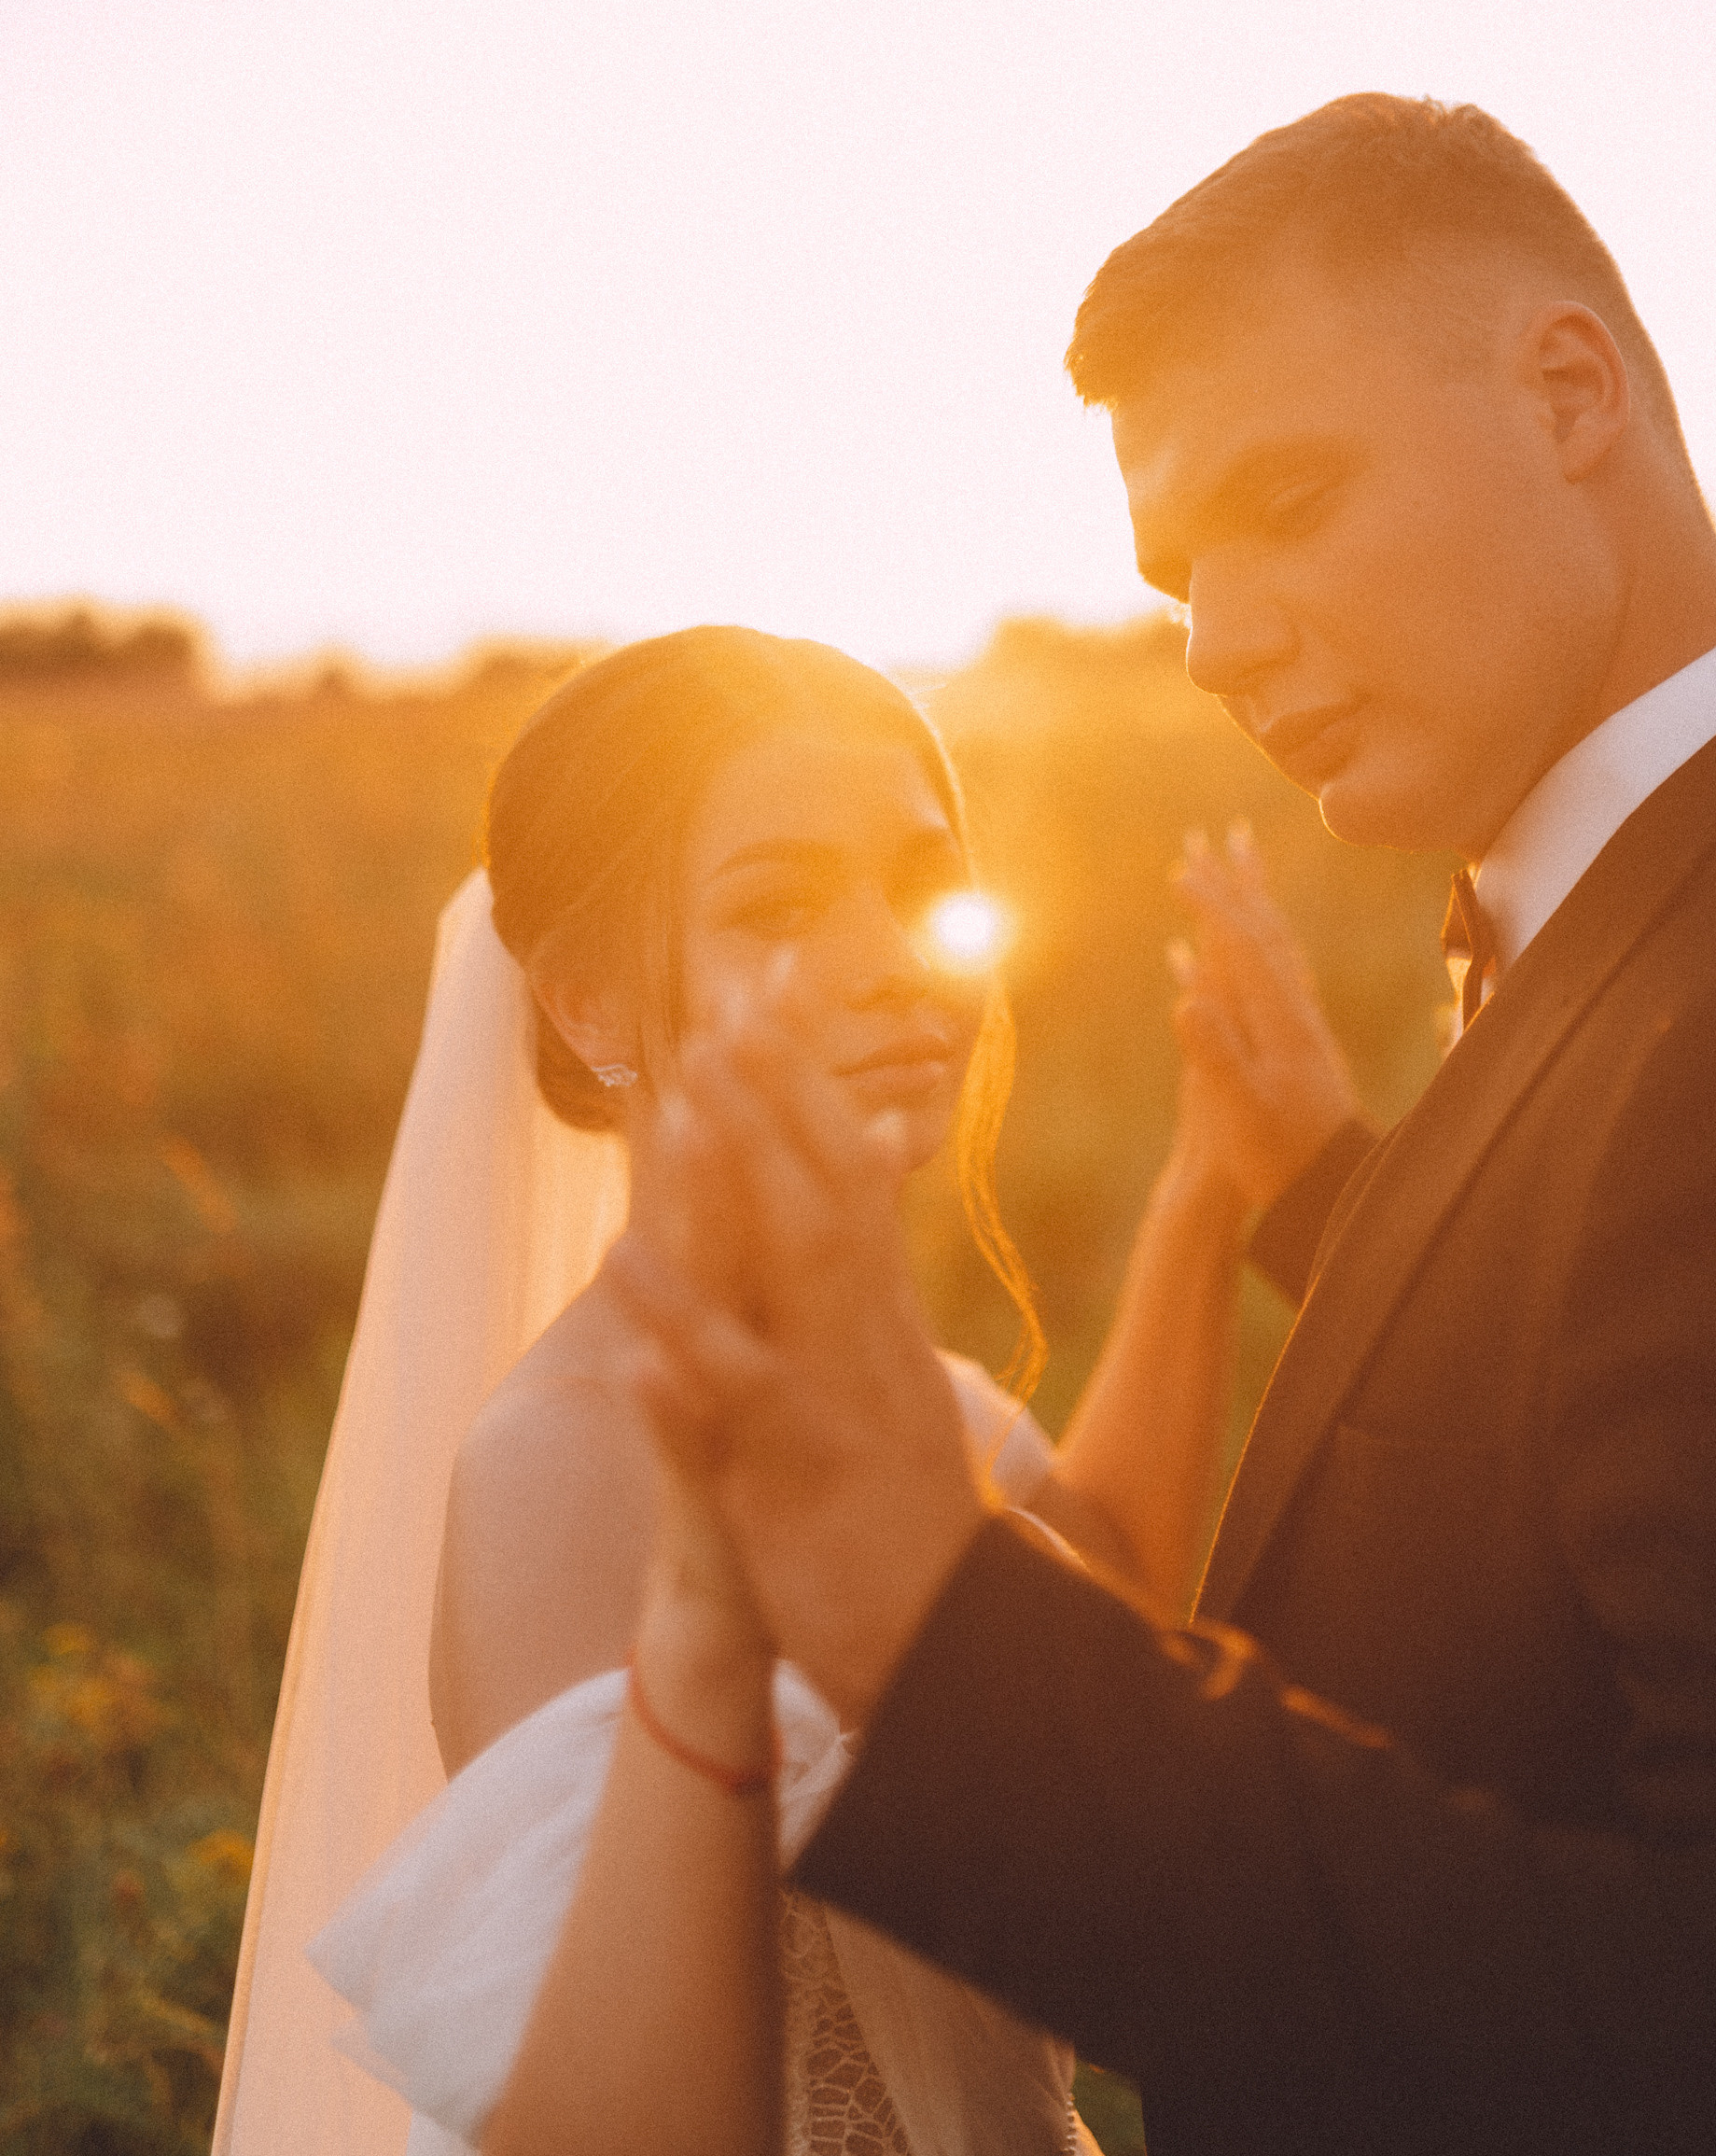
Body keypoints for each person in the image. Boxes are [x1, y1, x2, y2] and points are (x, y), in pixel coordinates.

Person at [610, 97, 1716, 2154]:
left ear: (1570, 393)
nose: (1213, 643)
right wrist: (1321, 1201)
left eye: (1283, 501)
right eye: (1179, 574)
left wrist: (929, 1625)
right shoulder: (1685, 920)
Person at [212, 624, 1343, 2156]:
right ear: (590, 1006)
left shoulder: (915, 1400)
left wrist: (1206, 1194)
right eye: (781, 908)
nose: (895, 961)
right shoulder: (563, 1467)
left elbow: (1107, 1584)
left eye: (923, 888)